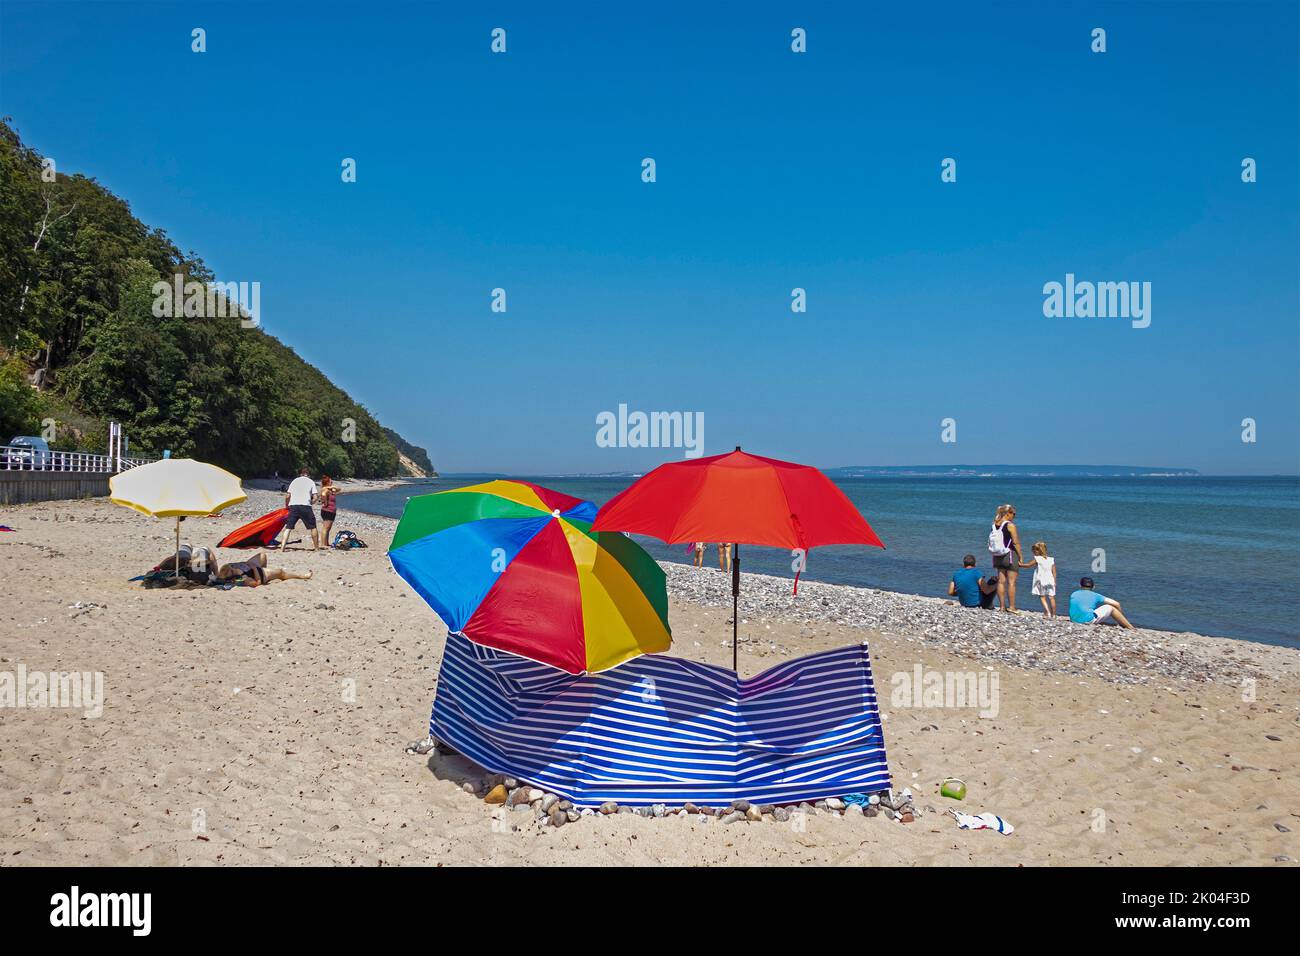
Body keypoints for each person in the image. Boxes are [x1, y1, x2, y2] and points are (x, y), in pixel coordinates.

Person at [989, 503, 1025, 612]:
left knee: (1001, 581)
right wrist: (1020, 557)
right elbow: (1016, 542)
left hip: (997, 555)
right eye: (1014, 514)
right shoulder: (1010, 525)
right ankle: (1012, 607)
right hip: (1009, 555)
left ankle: (1002, 607)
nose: (1014, 516)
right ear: (1008, 513)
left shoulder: (994, 524)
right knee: (1011, 582)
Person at [216, 550, 314, 587]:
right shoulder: (242, 578)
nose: (234, 567)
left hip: (250, 566)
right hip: (259, 573)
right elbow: (257, 583)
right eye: (233, 569)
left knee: (262, 555)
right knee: (281, 572)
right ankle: (302, 576)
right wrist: (254, 568)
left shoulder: (230, 567)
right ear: (232, 574)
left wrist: (248, 564)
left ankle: (267, 571)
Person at [1068, 577, 1134, 629]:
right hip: (1087, 621)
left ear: (1080, 585)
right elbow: (1117, 604)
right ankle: (1129, 626)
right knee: (1110, 607)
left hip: (1073, 620)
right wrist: (1120, 616)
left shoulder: (1074, 594)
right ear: (1093, 587)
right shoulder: (1096, 595)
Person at [282, 468, 320, 552]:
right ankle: (316, 548)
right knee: (313, 527)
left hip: (294, 506)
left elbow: (287, 496)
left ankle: (282, 547)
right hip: (305, 506)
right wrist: (311, 502)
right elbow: (316, 497)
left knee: (288, 527)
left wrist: (287, 505)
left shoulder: (294, 481)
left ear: (300, 474)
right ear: (309, 474)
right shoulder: (310, 482)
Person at [1022, 540, 1057, 619]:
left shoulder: (1037, 559)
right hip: (1050, 580)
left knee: (1042, 597)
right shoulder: (1051, 559)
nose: (1033, 552)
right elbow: (1054, 572)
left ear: (1038, 551)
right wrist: (1054, 581)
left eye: (1033, 551)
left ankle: (1047, 612)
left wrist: (1020, 564)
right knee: (1051, 597)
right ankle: (1054, 615)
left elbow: (1028, 565)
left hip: (1041, 580)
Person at [319, 475, 345, 548]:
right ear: (327, 482)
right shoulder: (325, 490)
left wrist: (329, 487)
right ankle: (323, 544)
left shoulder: (329, 489)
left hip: (331, 511)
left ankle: (326, 543)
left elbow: (339, 489)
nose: (332, 482)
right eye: (330, 481)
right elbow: (323, 495)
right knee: (325, 528)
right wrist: (326, 502)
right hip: (327, 511)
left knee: (328, 528)